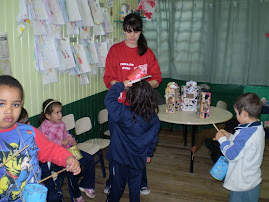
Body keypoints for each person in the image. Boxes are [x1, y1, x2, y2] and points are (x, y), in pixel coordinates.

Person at [103, 12, 163, 196]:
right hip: (120, 109)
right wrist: (124, 88)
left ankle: (141, 182)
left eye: (135, 31)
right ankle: (113, 181)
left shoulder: (147, 52)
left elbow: (157, 79)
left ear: (140, 31)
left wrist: (140, 87)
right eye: (128, 31)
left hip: (140, 107)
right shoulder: (115, 50)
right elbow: (108, 79)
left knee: (140, 146)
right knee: (117, 146)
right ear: (124, 30)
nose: (132, 35)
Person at [0, 75, 81, 202]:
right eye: (2, 104)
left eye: (15, 105)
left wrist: (68, 158)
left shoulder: (29, 132)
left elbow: (50, 150)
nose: (9, 110)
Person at [105, 80, 160, 202]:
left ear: (130, 96)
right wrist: (149, 154)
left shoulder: (122, 113)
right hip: (138, 160)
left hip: (119, 160)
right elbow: (153, 139)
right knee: (135, 191)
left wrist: (121, 85)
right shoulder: (154, 118)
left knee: (116, 190)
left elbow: (109, 99)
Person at [38, 99, 96, 202]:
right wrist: (61, 142)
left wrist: (71, 140)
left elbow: (66, 133)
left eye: (60, 112)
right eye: (57, 113)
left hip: (69, 151)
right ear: (47, 115)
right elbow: (47, 145)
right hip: (56, 157)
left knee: (89, 159)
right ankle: (76, 195)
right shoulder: (44, 128)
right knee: (72, 171)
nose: (60, 115)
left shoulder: (60, 123)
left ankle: (86, 184)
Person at [213, 93, 265, 202]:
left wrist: (222, 140)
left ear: (245, 114)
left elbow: (232, 155)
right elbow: (245, 145)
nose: (236, 116)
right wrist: (229, 137)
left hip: (241, 184)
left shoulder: (245, 133)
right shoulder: (257, 126)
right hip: (252, 180)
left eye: (237, 113)